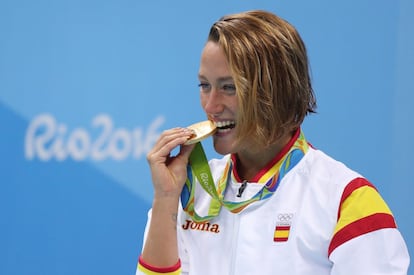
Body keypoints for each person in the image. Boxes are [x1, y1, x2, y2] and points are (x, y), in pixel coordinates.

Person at [136, 10, 410, 275]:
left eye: (229, 87)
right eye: (204, 85)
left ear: (275, 90)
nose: (211, 105)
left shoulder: (346, 199)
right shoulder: (191, 195)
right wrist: (166, 199)